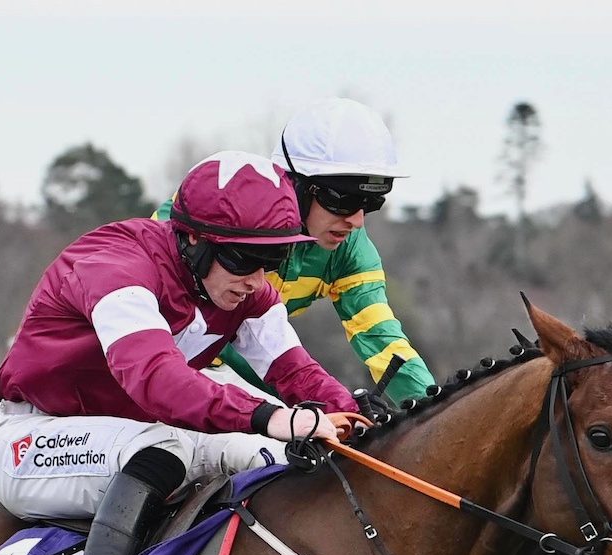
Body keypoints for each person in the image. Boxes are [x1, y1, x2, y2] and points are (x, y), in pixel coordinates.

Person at [0, 151, 364, 555]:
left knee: (282, 458)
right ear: (192, 240)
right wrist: (271, 416)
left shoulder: (245, 291)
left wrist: (352, 417)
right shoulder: (115, 265)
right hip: (33, 440)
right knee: (161, 450)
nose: (256, 279)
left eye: (273, 260)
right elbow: (158, 382)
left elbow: (295, 371)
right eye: (243, 259)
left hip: (143, 434)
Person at [153, 98, 435, 402]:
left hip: (232, 376)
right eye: (344, 201)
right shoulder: (213, 205)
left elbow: (382, 339)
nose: (356, 221)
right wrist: (315, 402)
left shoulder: (351, 250)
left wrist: (433, 411)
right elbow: (229, 338)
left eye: (371, 203)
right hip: (153, 368)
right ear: (296, 185)